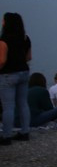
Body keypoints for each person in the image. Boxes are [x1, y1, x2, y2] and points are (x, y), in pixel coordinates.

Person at [0, 12, 32, 146]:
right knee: (23, 103)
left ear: (7, 23)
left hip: (8, 75)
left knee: (8, 106)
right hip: (24, 72)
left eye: (3, 20)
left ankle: (6, 135)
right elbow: (28, 57)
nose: (2, 22)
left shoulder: (3, 41)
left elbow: (2, 61)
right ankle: (25, 132)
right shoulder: (25, 38)